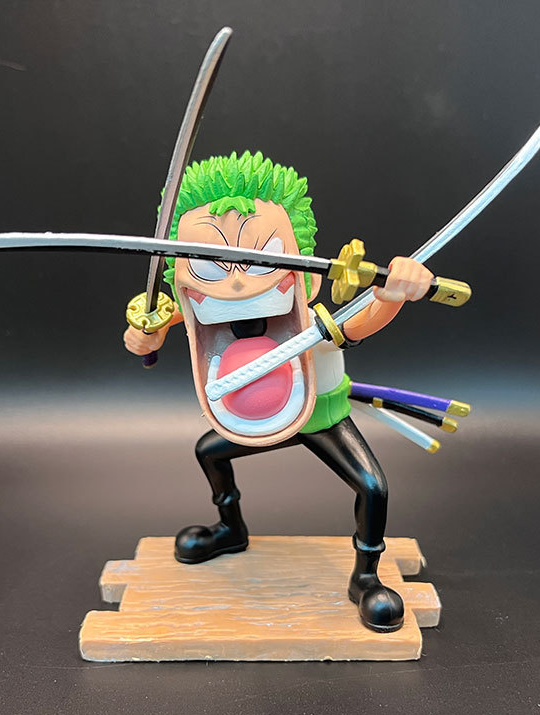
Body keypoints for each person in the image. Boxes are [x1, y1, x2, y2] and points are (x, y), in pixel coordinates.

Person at [123, 151, 433, 633]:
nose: (237, 281)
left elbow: (363, 321)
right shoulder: (204, 315)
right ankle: (231, 529)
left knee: (372, 486)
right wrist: (145, 336)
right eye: (210, 266)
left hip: (323, 418)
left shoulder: (314, 323)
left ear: (303, 270)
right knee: (208, 451)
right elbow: (158, 328)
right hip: (256, 420)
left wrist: (391, 294)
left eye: (261, 259)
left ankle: (366, 577)